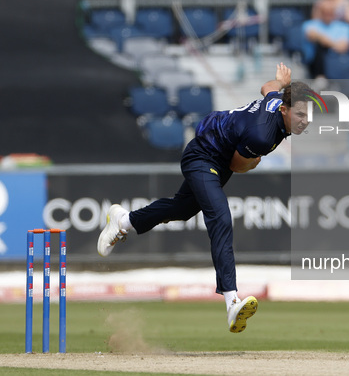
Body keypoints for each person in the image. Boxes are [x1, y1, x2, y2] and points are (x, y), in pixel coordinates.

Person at [97, 64, 311, 334]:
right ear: (284, 110)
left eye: (308, 115)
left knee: (183, 208)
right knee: (220, 217)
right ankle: (232, 301)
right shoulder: (261, 135)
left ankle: (124, 221)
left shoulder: (277, 100)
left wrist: (280, 82)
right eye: (301, 114)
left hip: (215, 153)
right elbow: (238, 165)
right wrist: (255, 162)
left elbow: (267, 88)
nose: (305, 120)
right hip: (204, 156)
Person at [303, 0, 349, 79]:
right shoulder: (310, 24)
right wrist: (334, 43)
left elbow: (343, 47)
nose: (328, 14)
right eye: (325, 12)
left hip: (336, 61)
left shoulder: (344, 27)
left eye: (330, 12)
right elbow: (311, 36)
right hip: (313, 64)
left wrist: (323, 39)